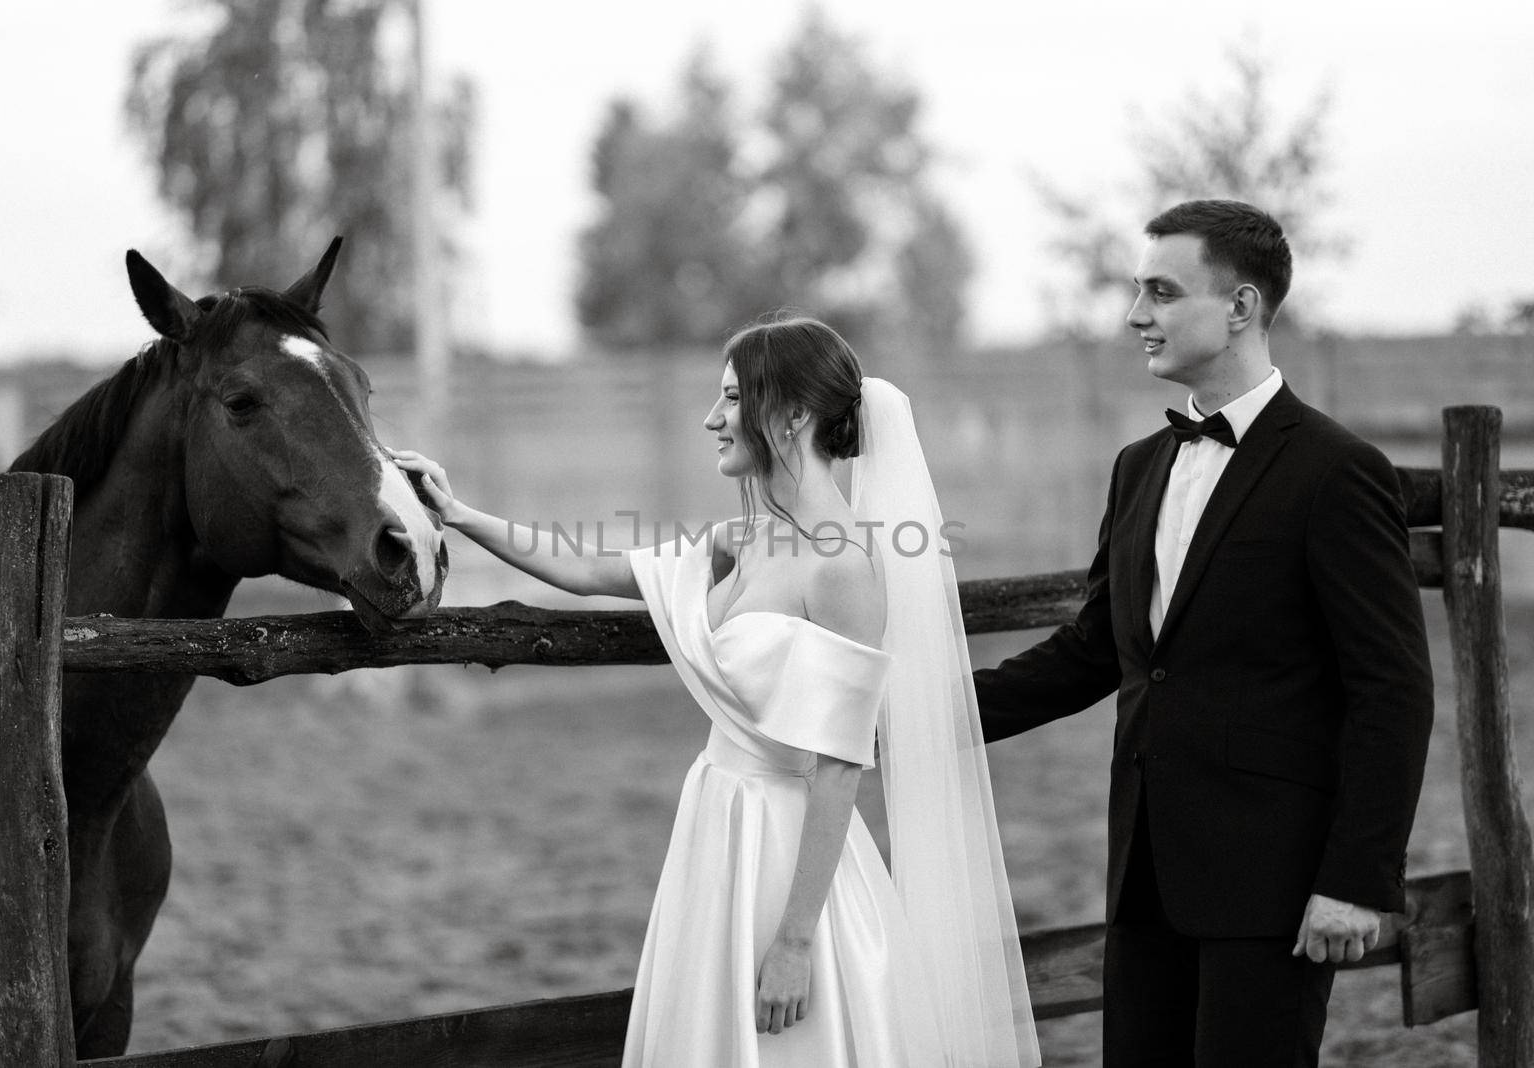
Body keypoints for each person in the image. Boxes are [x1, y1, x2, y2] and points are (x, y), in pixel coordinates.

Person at [391, 316, 1038, 1066]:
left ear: (792, 414)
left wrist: (795, 941)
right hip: (715, 828)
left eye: (731, 399)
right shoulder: (746, 537)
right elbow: (592, 569)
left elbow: (838, 768)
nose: (711, 418)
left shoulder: (845, 567)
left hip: (788, 856)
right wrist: (460, 513)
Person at [973, 199, 1434, 1066]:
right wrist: (925, 712)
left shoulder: (1337, 472)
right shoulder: (1139, 467)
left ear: (1241, 307)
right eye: (1137, 291)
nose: (1134, 315)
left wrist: (1356, 882)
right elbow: (1096, 652)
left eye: (1160, 291)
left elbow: (1393, 690)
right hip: (1144, 869)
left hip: (1277, 881)